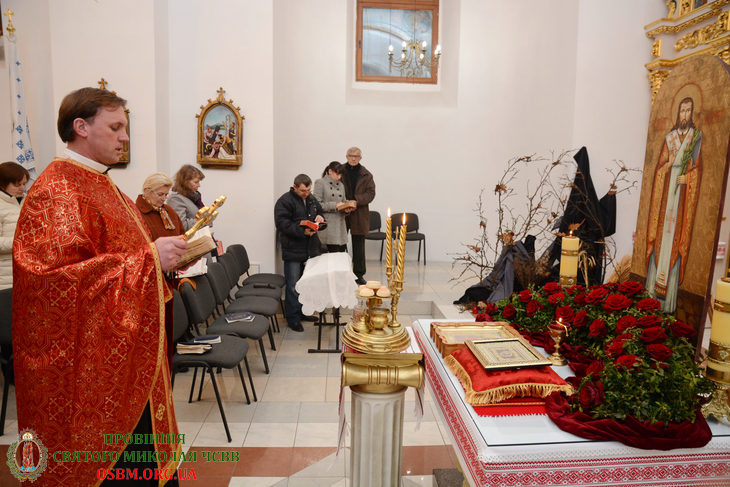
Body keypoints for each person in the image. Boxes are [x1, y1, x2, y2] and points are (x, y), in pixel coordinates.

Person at [12, 87, 188, 487]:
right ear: (81, 127)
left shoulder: (102, 184)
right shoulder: (57, 190)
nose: (125, 137)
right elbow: (52, 284)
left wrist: (166, 256)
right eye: (116, 127)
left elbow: (130, 254)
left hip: (130, 354)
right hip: (92, 370)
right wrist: (148, 260)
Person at [646, 96, 702, 313]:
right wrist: (667, 166)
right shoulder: (669, 138)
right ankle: (651, 297)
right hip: (665, 200)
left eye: (688, 111)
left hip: (681, 199)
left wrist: (688, 178)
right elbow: (659, 170)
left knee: (676, 240)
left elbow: (698, 168)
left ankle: (668, 303)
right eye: (682, 111)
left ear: (692, 113)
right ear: (677, 113)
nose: (684, 115)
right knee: (661, 237)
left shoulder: (695, 137)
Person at [136, 172, 186, 371]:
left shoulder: (168, 211)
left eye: (166, 194)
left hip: (169, 277)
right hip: (150, 279)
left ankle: (169, 358)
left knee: (169, 322)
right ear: (146, 191)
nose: (164, 199)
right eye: (160, 194)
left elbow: (182, 235)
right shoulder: (137, 213)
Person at [274, 174, 324, 332]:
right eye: (303, 191)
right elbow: (282, 224)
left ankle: (304, 312)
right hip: (293, 249)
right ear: (295, 187)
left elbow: (320, 213)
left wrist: (320, 218)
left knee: (306, 284)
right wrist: (302, 231)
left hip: (311, 247)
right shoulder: (284, 201)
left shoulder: (311, 199)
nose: (306, 193)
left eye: (309, 190)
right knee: (293, 286)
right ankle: (293, 319)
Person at [342, 146, 376, 285]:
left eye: (356, 156)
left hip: (359, 213)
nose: (353, 158)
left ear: (360, 158)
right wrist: (344, 202)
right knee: (339, 243)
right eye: (351, 156)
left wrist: (356, 200)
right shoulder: (339, 171)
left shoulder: (366, 174)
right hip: (341, 212)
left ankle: (359, 275)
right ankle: (341, 273)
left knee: (359, 246)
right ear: (346, 157)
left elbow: (371, 193)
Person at [0, 161, 29, 290]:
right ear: (3, 184)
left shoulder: (29, 201)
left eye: (24, 184)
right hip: (6, 277)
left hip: (27, 273)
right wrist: (22, 242)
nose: (22, 188)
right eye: (17, 185)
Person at [313, 161, 349, 253]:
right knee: (327, 255)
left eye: (341, 175)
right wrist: (335, 205)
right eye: (337, 174)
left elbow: (343, 202)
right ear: (330, 171)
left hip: (339, 224)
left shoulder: (341, 185)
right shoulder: (320, 183)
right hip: (327, 224)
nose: (339, 177)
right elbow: (316, 205)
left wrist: (347, 209)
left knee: (338, 255)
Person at [167, 164, 208, 231]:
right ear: (185, 182)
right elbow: (182, 226)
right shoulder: (175, 199)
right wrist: (204, 220)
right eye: (196, 182)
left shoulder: (193, 198)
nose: (199, 185)